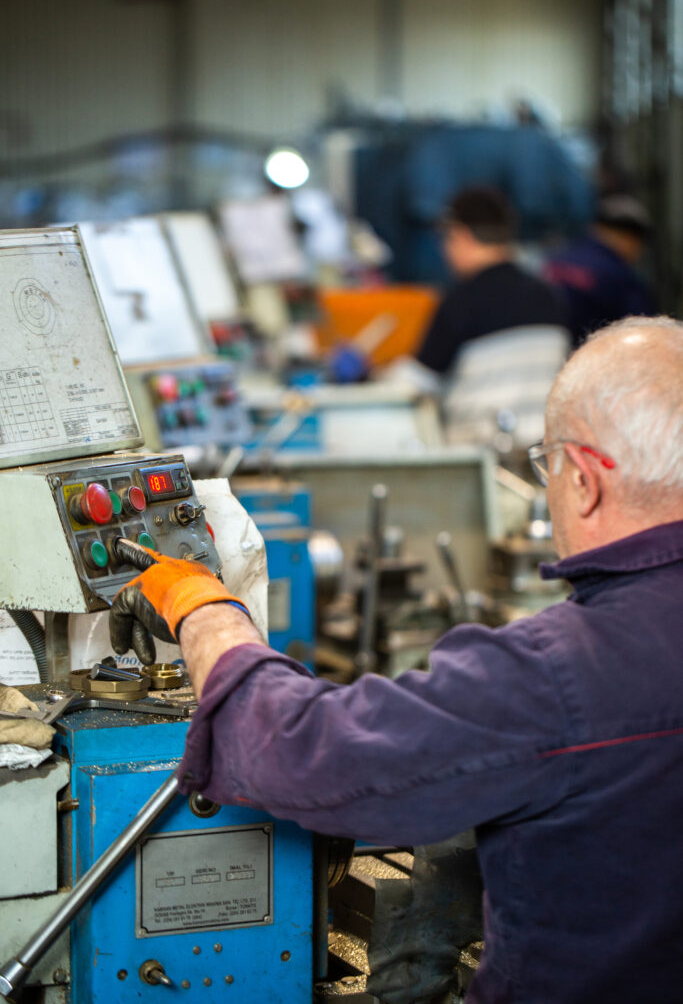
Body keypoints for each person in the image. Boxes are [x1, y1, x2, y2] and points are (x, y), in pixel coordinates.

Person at [111, 316, 683, 1004]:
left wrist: (201, 606)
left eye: (547, 465)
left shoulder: (557, 674)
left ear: (584, 479)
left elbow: (296, 750)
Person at [415, 185, 567, 376]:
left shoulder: (461, 303)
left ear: (462, 236)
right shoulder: (549, 296)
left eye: (446, 238)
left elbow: (419, 379)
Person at [545, 193, 657, 345]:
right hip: (595, 353)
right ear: (629, 238)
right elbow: (644, 330)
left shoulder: (556, 259)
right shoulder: (621, 276)